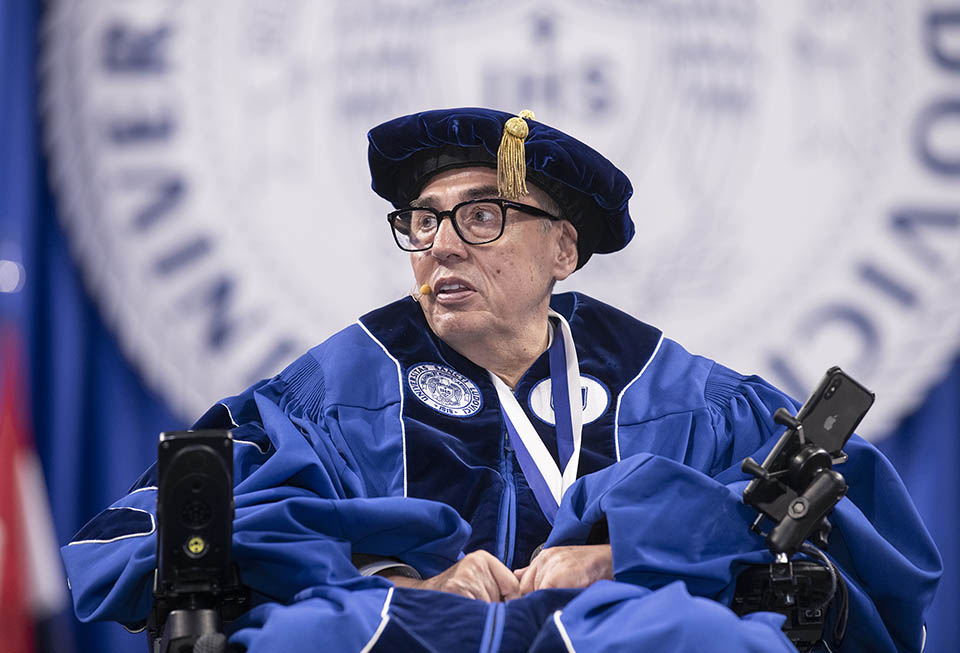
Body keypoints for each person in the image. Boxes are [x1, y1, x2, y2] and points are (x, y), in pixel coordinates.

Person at [62, 108, 941, 652]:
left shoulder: (679, 394)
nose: (440, 243)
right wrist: (381, 577)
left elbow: (844, 541)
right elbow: (146, 544)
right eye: (422, 220)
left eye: (480, 215)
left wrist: (625, 555)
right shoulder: (333, 392)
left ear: (564, 249)